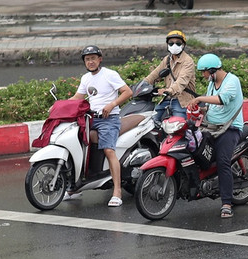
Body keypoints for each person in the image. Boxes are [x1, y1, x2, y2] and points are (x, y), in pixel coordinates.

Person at [72, 45, 134, 207]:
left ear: (100, 59)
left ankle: (117, 191)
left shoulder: (110, 75)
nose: (90, 62)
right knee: (78, 145)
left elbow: (127, 92)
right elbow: (78, 97)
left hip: (109, 119)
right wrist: (58, 106)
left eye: (93, 58)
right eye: (87, 59)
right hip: (92, 119)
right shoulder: (86, 78)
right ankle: (76, 186)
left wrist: (112, 105)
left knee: (108, 150)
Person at [189, 53, 244, 218]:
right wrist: (200, 110)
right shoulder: (212, 83)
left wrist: (198, 98)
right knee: (194, 149)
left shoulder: (232, 81)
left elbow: (221, 99)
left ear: (212, 70)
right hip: (211, 127)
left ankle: (226, 203)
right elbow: (211, 106)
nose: (203, 75)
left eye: (204, 72)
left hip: (230, 128)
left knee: (223, 162)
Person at [141, 30, 197, 122]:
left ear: (183, 45)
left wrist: (169, 90)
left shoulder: (188, 61)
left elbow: (181, 81)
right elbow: (154, 74)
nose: (174, 46)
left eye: (178, 43)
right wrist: (143, 83)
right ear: (167, 45)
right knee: (151, 121)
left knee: (178, 125)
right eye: (171, 43)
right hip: (167, 98)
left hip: (182, 100)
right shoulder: (167, 59)